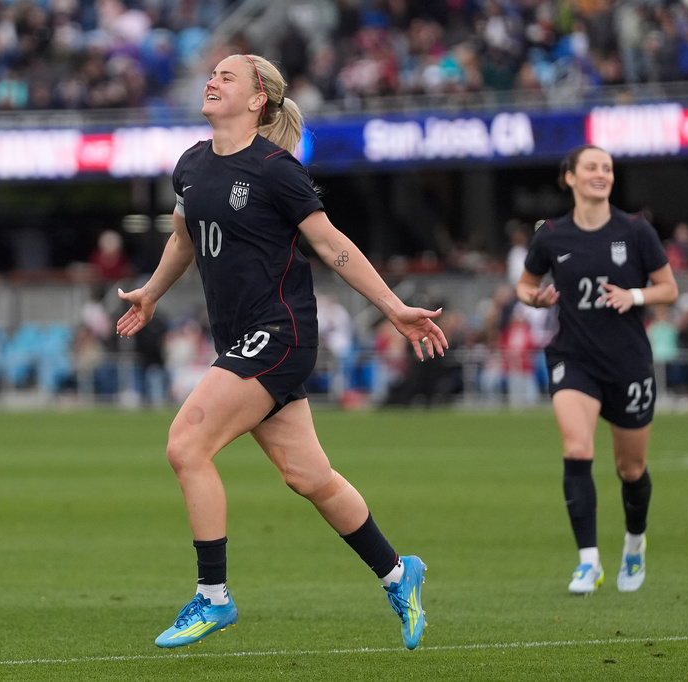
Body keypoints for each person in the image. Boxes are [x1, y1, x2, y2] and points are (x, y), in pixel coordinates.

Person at [115, 53, 447, 651]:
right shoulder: (191, 164)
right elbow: (183, 239)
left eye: (227, 76)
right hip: (241, 339)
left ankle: (213, 597)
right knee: (309, 477)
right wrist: (151, 294)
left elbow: (331, 244)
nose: (213, 80)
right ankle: (400, 574)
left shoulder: (276, 170)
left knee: (186, 445)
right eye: (212, 74)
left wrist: (394, 307)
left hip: (279, 333)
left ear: (256, 99)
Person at [515, 145, 679, 596]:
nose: (601, 174)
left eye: (607, 168)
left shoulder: (635, 229)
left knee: (631, 468)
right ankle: (588, 562)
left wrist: (636, 296)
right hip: (574, 357)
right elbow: (526, 285)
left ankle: (634, 543)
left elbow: (669, 287)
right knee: (577, 446)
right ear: (569, 177)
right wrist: (535, 298)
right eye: (592, 167)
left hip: (628, 362)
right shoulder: (550, 235)